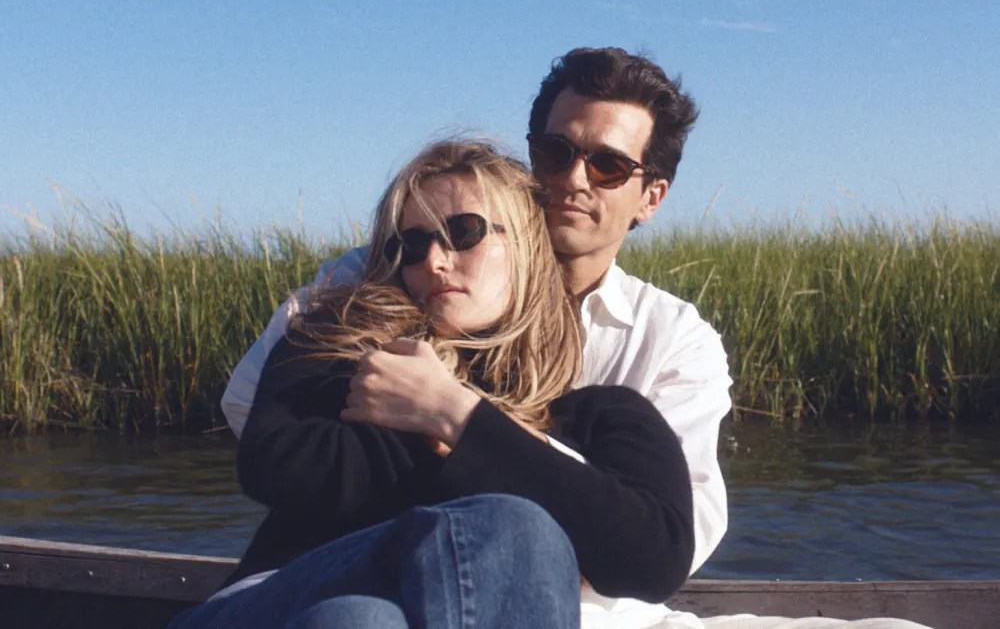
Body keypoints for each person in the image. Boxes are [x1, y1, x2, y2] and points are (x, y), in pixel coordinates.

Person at [170, 140, 696, 628]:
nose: (435, 261)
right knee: (511, 526)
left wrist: (454, 415)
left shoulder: (603, 415)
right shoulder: (347, 344)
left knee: (361, 619)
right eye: (413, 244)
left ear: (528, 244)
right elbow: (277, 464)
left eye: (465, 232)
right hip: (271, 596)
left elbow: (654, 560)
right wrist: (496, 457)